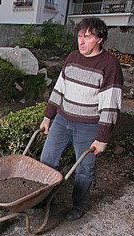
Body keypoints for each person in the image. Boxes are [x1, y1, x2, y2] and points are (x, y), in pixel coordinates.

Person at [39, 17, 123, 221]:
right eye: (79, 37)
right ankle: (42, 199)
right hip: (62, 120)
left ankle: (78, 206)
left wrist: (102, 138)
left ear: (100, 39)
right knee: (47, 160)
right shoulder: (72, 57)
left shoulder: (109, 65)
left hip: (88, 127)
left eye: (88, 37)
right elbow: (59, 89)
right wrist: (47, 117)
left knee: (84, 169)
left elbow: (110, 105)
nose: (82, 42)